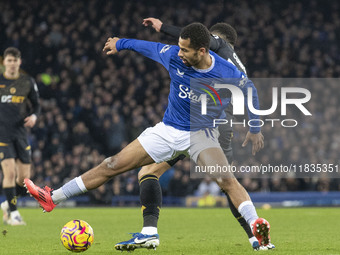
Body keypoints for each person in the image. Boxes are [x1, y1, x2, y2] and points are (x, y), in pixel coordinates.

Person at [24, 23, 269, 251]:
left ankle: (256, 226)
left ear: (202, 51)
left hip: (200, 135)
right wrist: (120, 43)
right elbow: (147, 46)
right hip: (166, 130)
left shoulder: (226, 71)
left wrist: (255, 128)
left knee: (226, 181)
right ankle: (52, 197)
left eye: (185, 49)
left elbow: (251, 92)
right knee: (112, 164)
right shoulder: (174, 56)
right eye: (179, 47)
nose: (179, 52)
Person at [123, 18, 274, 251]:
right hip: (219, 126)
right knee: (228, 184)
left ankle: (149, 231)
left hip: (199, 127)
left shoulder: (218, 51)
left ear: (217, 40)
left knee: (149, 172)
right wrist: (254, 128)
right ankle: (255, 237)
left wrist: (162, 27)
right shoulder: (237, 68)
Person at [0, 47, 40, 225]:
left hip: (20, 133)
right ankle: (14, 214)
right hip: (2, 133)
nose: (12, 64)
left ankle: (8, 204)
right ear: (4, 62)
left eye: (15, 60)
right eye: (9, 60)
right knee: (8, 173)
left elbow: (37, 104)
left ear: (19, 62)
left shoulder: (27, 82)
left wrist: (34, 116)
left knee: (24, 180)